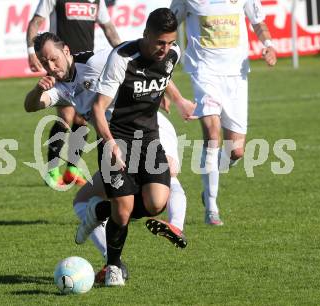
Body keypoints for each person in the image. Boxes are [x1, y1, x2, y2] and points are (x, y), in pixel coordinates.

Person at [24, 31, 194, 283]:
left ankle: (175, 224)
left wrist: (172, 95)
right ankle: (112, 263)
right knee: (82, 202)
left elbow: (142, 60)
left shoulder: (95, 61)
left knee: (168, 176)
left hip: (149, 127)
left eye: (54, 59)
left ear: (67, 51)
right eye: (44, 62)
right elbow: (31, 105)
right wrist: (36, 90)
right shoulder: (60, 88)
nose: (51, 67)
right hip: (116, 143)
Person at [86, 8, 185, 287]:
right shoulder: (122, 57)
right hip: (116, 137)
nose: (165, 49)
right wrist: (111, 145)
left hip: (150, 139)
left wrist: (173, 98)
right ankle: (113, 266)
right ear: (145, 35)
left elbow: (159, 79)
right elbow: (97, 108)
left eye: (170, 42)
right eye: (159, 43)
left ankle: (99, 212)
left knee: (156, 203)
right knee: (124, 208)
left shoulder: (172, 54)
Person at [170, 0, 277, 225]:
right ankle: (211, 207)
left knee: (236, 151)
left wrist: (268, 44)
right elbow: (168, 24)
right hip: (204, 72)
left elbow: (258, 21)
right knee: (212, 133)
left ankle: (210, 179)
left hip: (237, 75)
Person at [26, 0, 121, 188]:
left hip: (85, 66)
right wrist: (31, 51)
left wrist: (122, 52)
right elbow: (35, 23)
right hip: (59, 65)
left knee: (82, 120)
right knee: (66, 117)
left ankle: (72, 170)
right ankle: (52, 169)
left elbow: (108, 27)